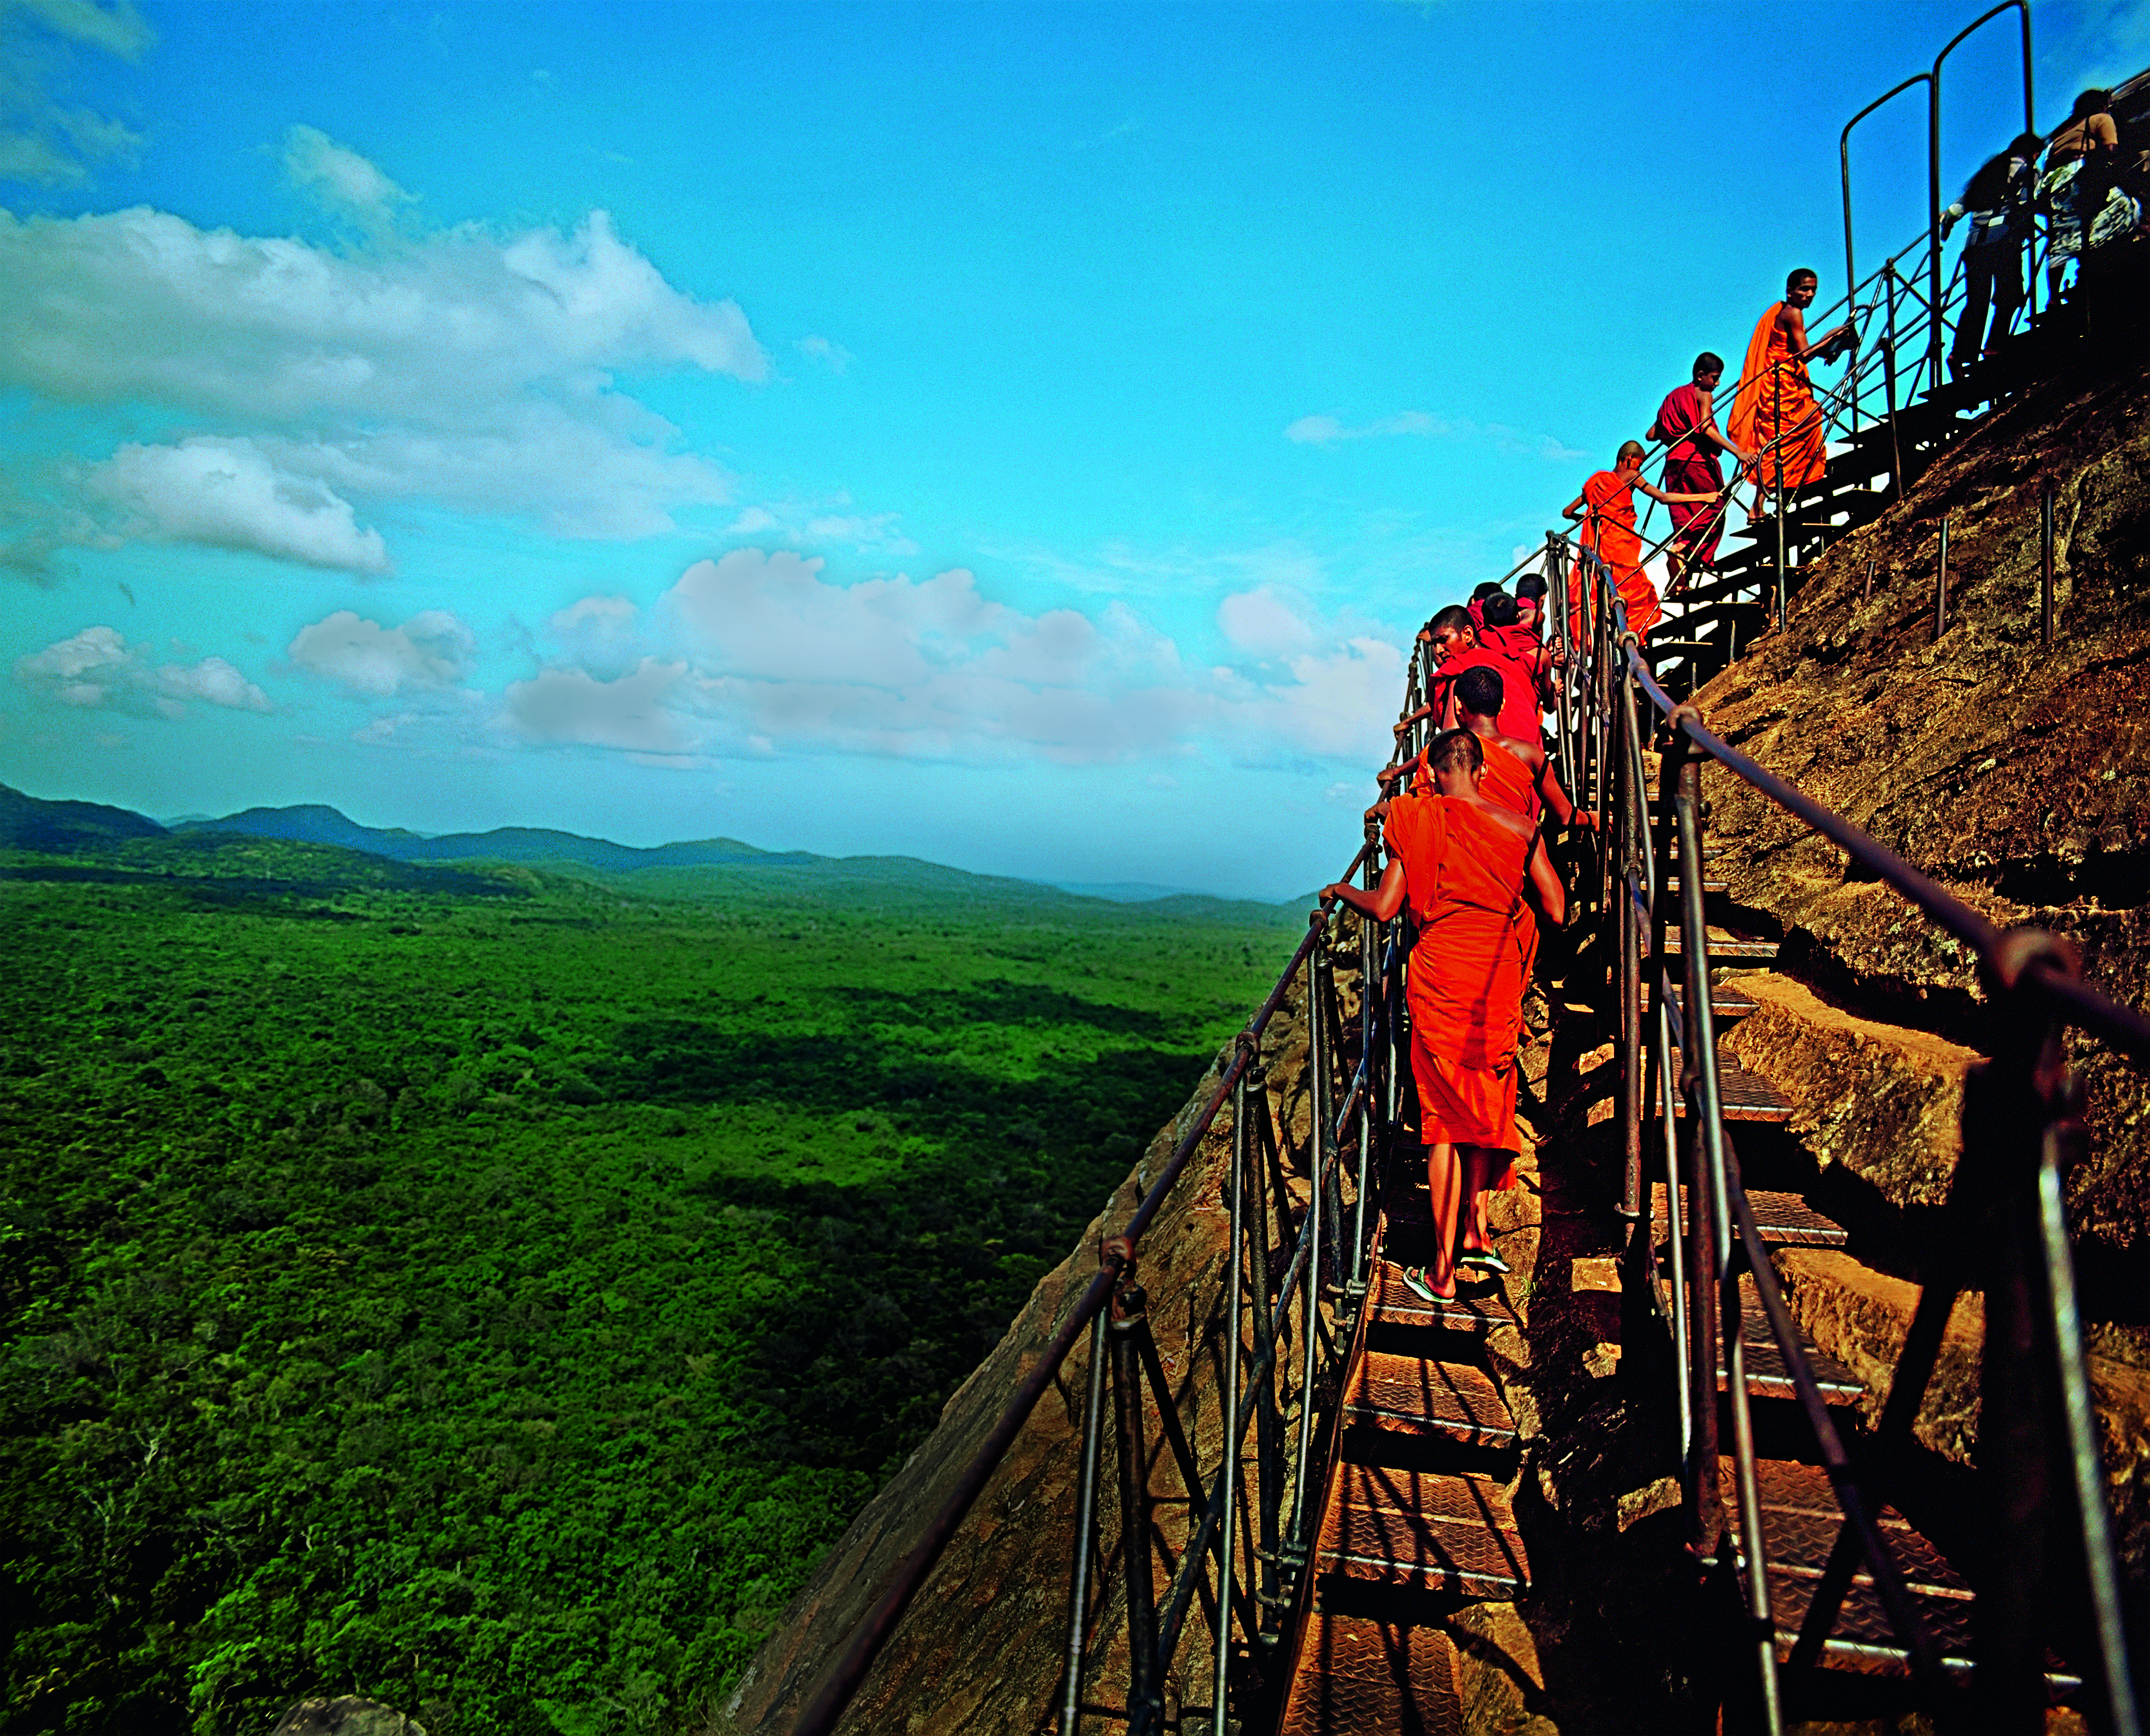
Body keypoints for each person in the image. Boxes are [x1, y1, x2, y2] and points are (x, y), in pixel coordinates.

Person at [1320, 729, 1566, 1299]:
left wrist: (1341, 889)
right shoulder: (1522, 829)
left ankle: (1440, 1271)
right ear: (1482, 771)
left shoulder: (1415, 819)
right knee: (1480, 1111)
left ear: (1430, 772)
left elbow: (1384, 908)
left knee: (1441, 1127)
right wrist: (1503, 904)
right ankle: (1475, 1233)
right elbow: (1554, 909)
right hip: (1493, 981)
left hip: (1438, 980)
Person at [1725, 270, 1854, 521]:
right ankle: (1763, 504)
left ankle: (1759, 506)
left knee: (1778, 443)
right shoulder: (1793, 314)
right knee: (1790, 437)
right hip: (1782, 387)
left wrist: (1830, 342)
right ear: (1789, 292)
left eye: (1813, 290)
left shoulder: (1783, 311)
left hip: (1783, 385)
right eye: (1804, 289)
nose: (1809, 295)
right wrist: (1834, 336)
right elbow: (1803, 354)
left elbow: (1796, 350)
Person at [1562, 442, 1719, 641]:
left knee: (1603, 589)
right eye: (1640, 463)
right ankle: (1633, 638)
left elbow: (1567, 513)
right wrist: (1704, 497)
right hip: (1620, 546)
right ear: (1630, 459)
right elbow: (1662, 497)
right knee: (1634, 591)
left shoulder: (1597, 481)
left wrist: (1594, 519)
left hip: (1599, 544)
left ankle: (1610, 638)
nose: (1640, 467)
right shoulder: (1630, 475)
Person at [1649, 353, 1753, 593]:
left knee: (1686, 517)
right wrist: (1739, 453)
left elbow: (1652, 435)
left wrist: (1675, 427)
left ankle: (1680, 578)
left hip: (1673, 467)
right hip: (1696, 463)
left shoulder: (1672, 397)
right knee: (1713, 510)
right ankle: (1681, 550)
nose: (1717, 385)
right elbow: (1705, 426)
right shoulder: (1702, 394)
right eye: (1715, 379)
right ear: (1700, 376)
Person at [1941, 133, 2041, 370]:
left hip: (1975, 244)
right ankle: (1994, 346)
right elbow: (2030, 202)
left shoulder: (1989, 173)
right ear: (2031, 152)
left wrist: (1947, 225)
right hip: (2004, 238)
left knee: (1977, 300)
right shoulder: (2027, 172)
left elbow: (1957, 209)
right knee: (2010, 293)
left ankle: (1960, 353)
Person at [1394, 605, 1542, 746]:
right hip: (1530, 756)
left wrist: (1399, 771)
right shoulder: (1500, 655)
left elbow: (1450, 741)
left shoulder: (1459, 673)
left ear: (1468, 634)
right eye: (1434, 644)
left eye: (1444, 640)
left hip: (1492, 762)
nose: (1438, 650)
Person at [2041, 91, 2119, 304]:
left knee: (2060, 240)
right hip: (2078, 179)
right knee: (2123, 213)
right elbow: (2109, 150)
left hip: (2054, 187)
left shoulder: (2060, 134)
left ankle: (2054, 296)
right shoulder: (2101, 119)